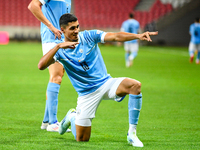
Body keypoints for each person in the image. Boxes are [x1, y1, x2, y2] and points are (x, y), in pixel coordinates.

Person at [38, 13, 158, 147]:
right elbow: (41, 66)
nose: (76, 30)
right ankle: (72, 116)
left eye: (77, 27)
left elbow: (115, 36)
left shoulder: (89, 36)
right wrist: (58, 47)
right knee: (82, 139)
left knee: (135, 85)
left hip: (106, 83)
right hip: (86, 94)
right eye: (72, 28)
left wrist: (138, 36)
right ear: (63, 29)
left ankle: (132, 134)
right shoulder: (60, 50)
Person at [28, 0, 71, 132]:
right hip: (52, 39)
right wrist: (51, 26)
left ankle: (46, 121)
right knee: (56, 77)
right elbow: (32, 6)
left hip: (61, 39)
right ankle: (53, 123)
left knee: (58, 76)